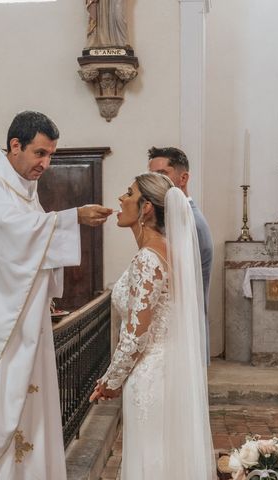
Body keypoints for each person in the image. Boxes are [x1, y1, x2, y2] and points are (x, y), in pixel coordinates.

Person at [0, 111, 112, 479]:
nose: (45, 164)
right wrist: (72, 217)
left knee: (31, 405)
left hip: (25, 322)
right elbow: (12, 236)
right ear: (15, 145)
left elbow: (32, 244)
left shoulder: (25, 190)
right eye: (40, 153)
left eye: (50, 156)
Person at [89, 172, 214, 479]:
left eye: (128, 194)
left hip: (150, 376)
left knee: (151, 460)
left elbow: (135, 335)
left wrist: (110, 381)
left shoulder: (149, 258)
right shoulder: (169, 252)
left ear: (145, 208)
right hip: (170, 369)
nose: (121, 199)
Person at [147, 146, 213, 363]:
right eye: (151, 176)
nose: (154, 182)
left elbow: (178, 288)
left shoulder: (189, 222)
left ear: (183, 178)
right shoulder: (175, 219)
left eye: (161, 175)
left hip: (183, 334)